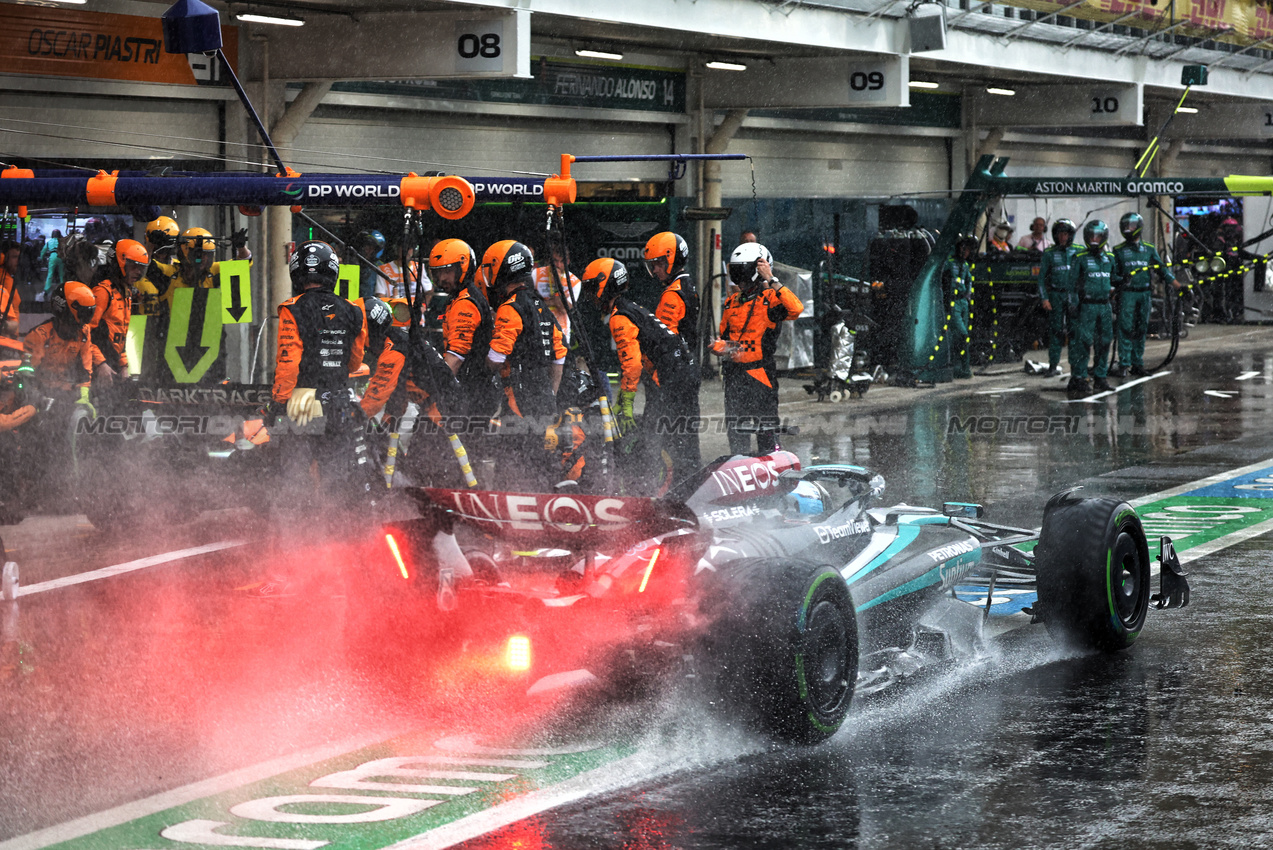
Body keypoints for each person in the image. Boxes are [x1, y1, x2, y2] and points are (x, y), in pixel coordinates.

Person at [584, 256, 700, 491]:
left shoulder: (620, 317)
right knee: (680, 440)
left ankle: (665, 494)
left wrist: (625, 400)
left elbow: (633, 364)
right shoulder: (630, 308)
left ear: (605, 285)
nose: (589, 295)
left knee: (656, 440)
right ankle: (686, 488)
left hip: (672, 379)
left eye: (591, 287)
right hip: (682, 374)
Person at [273, 241, 373, 504]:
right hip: (339, 399)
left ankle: (297, 536)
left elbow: (288, 362)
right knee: (336, 477)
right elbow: (354, 364)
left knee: (295, 475)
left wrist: (278, 402)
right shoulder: (353, 310)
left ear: (297, 273)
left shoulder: (292, 308)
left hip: (303, 400)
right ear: (333, 272)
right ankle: (335, 534)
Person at [482, 240, 566, 490]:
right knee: (542, 464)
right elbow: (559, 356)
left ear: (502, 269)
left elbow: (495, 360)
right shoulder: (542, 306)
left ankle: (509, 521)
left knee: (510, 469)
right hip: (543, 397)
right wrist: (549, 393)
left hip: (517, 399)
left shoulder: (510, 308)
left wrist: (477, 370)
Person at [713, 242, 803, 455]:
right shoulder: (731, 302)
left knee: (766, 429)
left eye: (743, 271)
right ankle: (740, 466)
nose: (740, 280)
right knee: (737, 432)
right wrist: (719, 347)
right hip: (734, 375)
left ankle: (773, 463)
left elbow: (796, 309)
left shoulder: (771, 299)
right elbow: (725, 338)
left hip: (760, 374)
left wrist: (771, 279)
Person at [430, 239, 499, 432]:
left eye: (447, 271)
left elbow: (456, 356)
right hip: (476, 390)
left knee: (457, 453)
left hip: (471, 393)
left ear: (463, 267)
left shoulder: (465, 302)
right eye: (437, 273)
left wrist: (433, 392)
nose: (442, 278)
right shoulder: (462, 297)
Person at [1112, 212, 1174, 377]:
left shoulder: (1149, 249)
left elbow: (1162, 270)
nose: (1128, 229)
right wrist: (1120, 279)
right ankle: (1124, 364)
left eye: (1131, 226)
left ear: (1138, 227)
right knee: (1125, 328)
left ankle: (1137, 363)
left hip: (1145, 293)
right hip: (1127, 294)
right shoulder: (1118, 250)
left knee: (1141, 328)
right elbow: (1112, 275)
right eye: (1126, 226)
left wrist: (1177, 285)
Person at [25, 281, 106, 403]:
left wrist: (84, 398)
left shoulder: (84, 332)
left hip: (67, 391)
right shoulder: (40, 335)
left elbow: (85, 368)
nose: (81, 325)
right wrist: (39, 399)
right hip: (39, 393)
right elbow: (27, 374)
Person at [87, 239, 148, 378]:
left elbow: (122, 334)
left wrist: (124, 365)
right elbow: (85, 332)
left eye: (141, 268)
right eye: (133, 266)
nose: (138, 272)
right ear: (119, 263)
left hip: (111, 362)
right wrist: (100, 364)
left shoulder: (126, 292)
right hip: (95, 365)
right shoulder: (102, 291)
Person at [1068, 221, 1115, 396]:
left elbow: (1115, 278)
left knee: (1104, 341)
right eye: (1091, 236)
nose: (1094, 240)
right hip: (1087, 306)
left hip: (1105, 305)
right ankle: (1079, 377)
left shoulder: (1109, 258)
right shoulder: (1079, 258)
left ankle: (1100, 377)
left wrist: (1122, 281)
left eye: (1098, 236)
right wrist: (1072, 303)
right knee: (1084, 342)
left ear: (1103, 238)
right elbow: (1071, 284)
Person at [164, 226, 250, 303]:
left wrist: (241, 247)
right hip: (171, 320)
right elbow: (151, 265)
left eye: (208, 255)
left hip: (207, 320)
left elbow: (243, 264)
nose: (204, 259)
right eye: (200, 254)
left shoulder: (214, 270)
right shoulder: (171, 271)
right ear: (185, 251)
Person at [1037, 219, 1079, 377]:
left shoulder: (1079, 251)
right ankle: (1053, 365)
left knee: (1074, 331)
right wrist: (1044, 298)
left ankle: (1075, 365)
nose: (1063, 237)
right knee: (1055, 331)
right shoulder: (1049, 253)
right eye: (1060, 234)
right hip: (1056, 295)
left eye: (1066, 234)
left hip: (1073, 295)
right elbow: (1041, 279)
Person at [943, 236, 976, 379]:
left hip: (963, 302)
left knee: (964, 337)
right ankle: (956, 366)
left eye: (968, 250)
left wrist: (968, 294)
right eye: (963, 249)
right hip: (953, 302)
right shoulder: (950, 263)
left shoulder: (966, 265)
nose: (965, 252)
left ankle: (964, 367)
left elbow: (969, 279)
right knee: (961, 334)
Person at [137, 216, 179, 315]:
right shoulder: (137, 269)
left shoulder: (179, 268)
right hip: (143, 324)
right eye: (157, 246)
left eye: (165, 249)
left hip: (172, 323)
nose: (161, 254)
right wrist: (148, 250)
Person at [353, 229, 386, 301]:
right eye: (365, 246)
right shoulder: (354, 262)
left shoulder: (380, 267)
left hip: (371, 305)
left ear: (376, 250)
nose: (366, 250)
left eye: (371, 247)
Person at [1, 241, 21, 341]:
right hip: (6, 339)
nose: (17, 261)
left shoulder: (8, 278)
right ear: (3, 258)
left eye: (18, 257)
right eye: (14, 257)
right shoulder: (4, 280)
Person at [40, 230, 62, 298]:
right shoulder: (62, 241)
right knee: (62, 274)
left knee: (50, 274)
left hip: (52, 256)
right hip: (61, 256)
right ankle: (63, 290)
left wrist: (41, 258)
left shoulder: (49, 242)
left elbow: (43, 251)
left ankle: (46, 291)